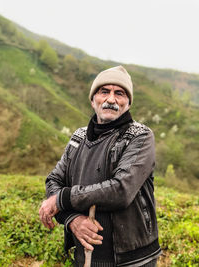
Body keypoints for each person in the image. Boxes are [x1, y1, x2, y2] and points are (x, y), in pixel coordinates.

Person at [39, 65, 161, 267]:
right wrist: (72, 219)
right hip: (87, 255)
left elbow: (121, 190)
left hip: (132, 259)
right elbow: (54, 181)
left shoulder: (140, 136)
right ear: (93, 100)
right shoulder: (78, 137)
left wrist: (63, 199)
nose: (111, 99)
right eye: (104, 91)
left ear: (128, 103)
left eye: (119, 93)